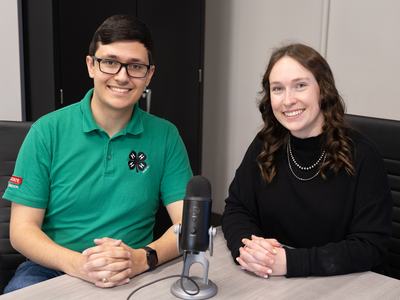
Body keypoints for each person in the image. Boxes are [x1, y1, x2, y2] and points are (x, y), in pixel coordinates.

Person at [2, 14, 192, 292]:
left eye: (136, 66)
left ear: (149, 74)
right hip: (53, 267)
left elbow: (188, 224)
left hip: (134, 267)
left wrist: (143, 258)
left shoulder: (165, 136)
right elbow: (21, 231)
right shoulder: (47, 131)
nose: (123, 76)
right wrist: (79, 265)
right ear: (91, 65)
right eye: (110, 62)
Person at [222, 43, 392, 278]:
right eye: (278, 89)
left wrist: (291, 263)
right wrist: (250, 249)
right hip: (269, 281)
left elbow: (371, 245)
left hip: (340, 285)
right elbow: (237, 207)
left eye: (300, 86)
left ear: (323, 90)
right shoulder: (265, 144)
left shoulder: (362, 154)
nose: (288, 100)